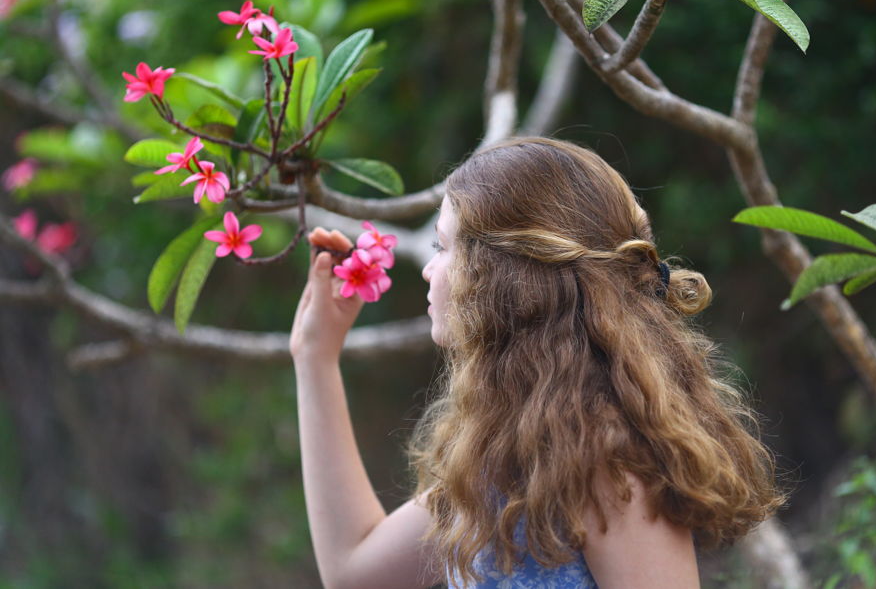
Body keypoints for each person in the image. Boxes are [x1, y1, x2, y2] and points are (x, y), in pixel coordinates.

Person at [290, 137, 784, 589]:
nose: (428, 266)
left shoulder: (607, 460)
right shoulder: (505, 450)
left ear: (503, 277)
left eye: (444, 246)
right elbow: (355, 571)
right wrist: (315, 357)